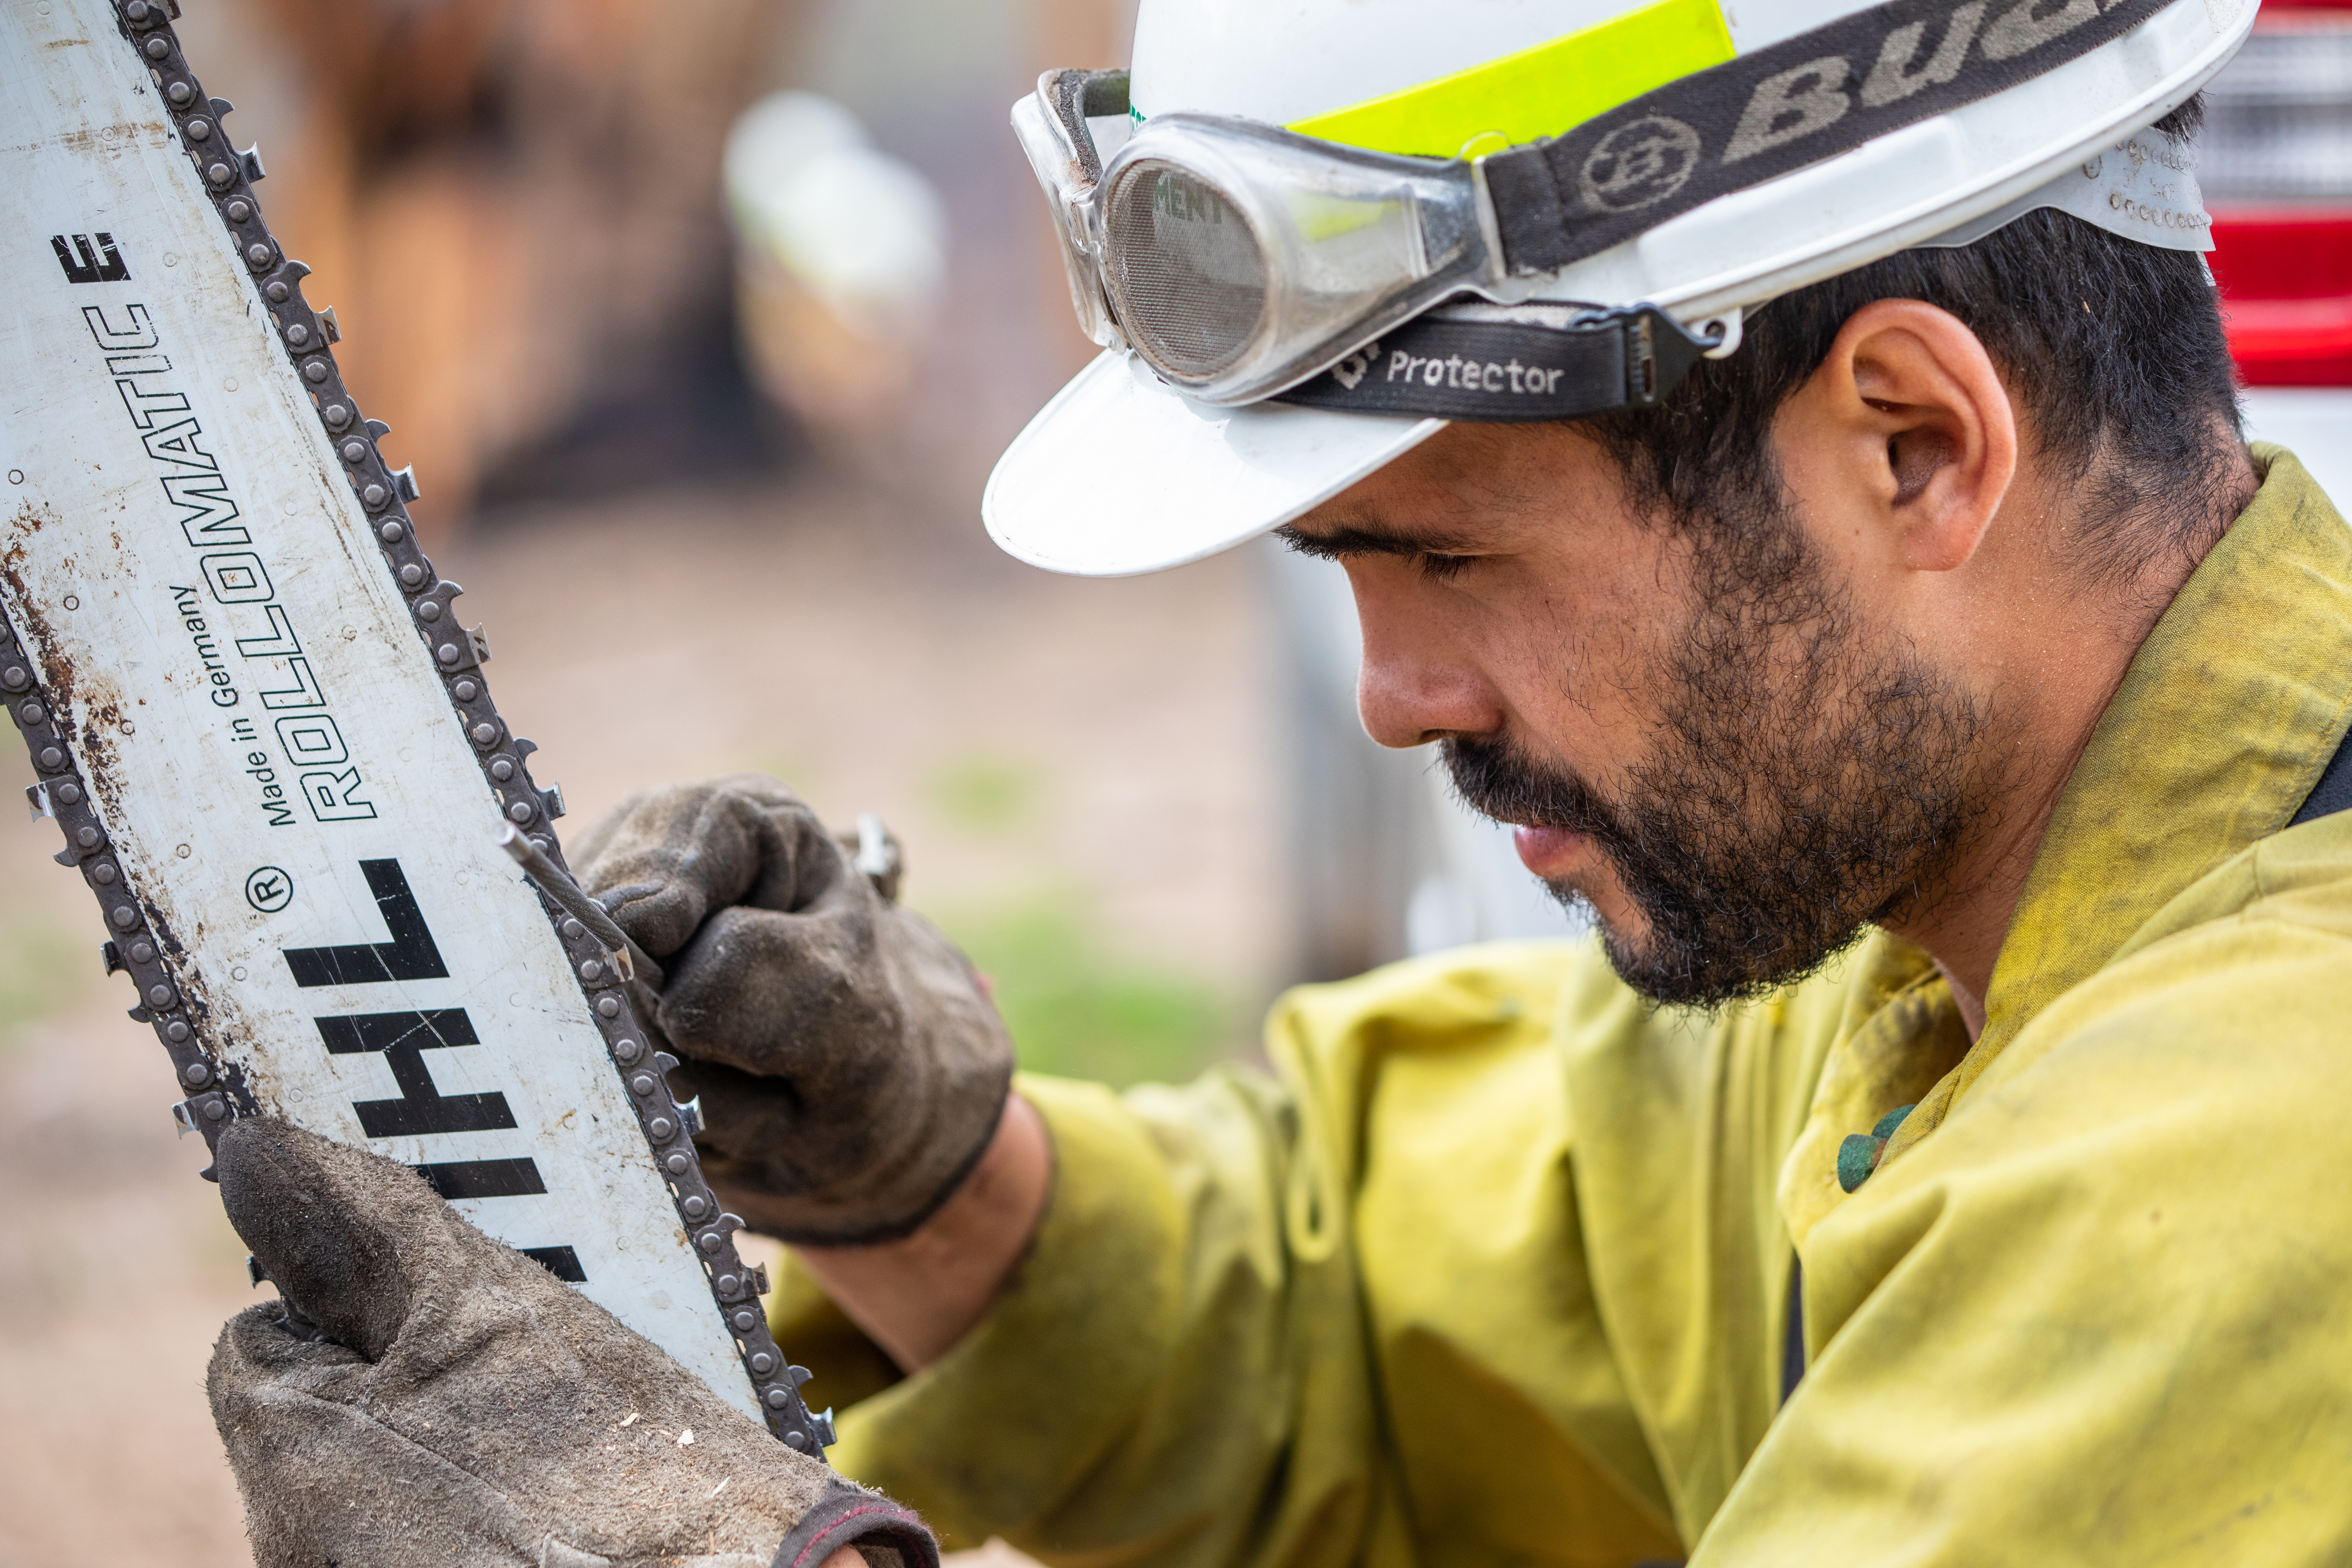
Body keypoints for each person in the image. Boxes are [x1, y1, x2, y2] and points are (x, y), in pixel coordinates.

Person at [206, 0, 2352, 1561]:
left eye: (1445, 551)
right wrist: (938, 1192)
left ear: (1914, 444)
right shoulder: (1932, 948)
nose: (1396, 700)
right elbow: (1378, 1304)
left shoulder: (2255, 1171)